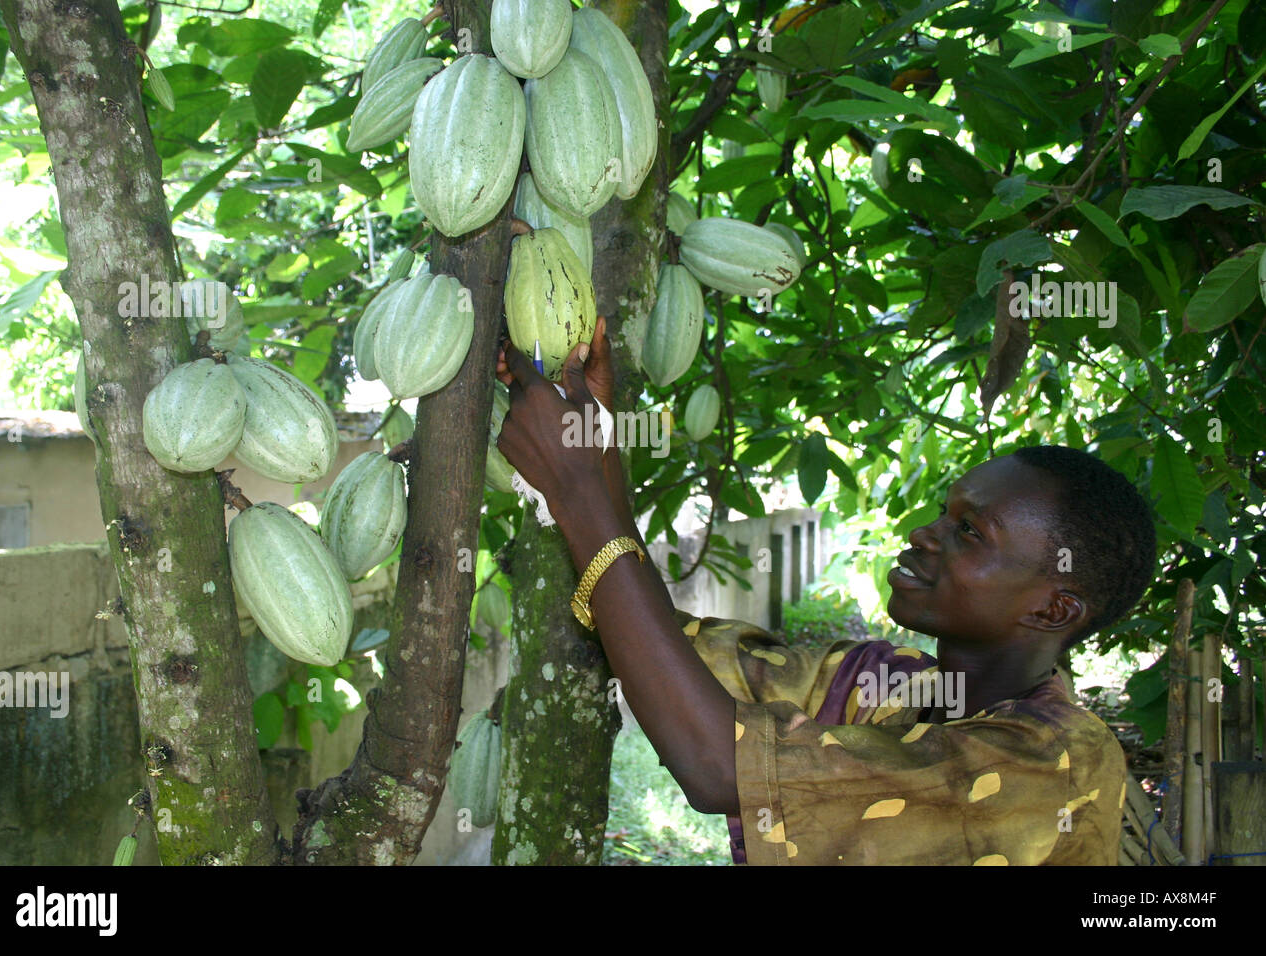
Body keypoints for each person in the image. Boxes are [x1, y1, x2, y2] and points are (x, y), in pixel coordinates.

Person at [494, 317, 1157, 865]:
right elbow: (655, 645)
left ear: (1053, 606)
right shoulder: (892, 688)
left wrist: (577, 488)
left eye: (970, 533)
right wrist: (594, 437)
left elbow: (716, 766)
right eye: (942, 513)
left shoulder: (1059, 761)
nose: (923, 535)